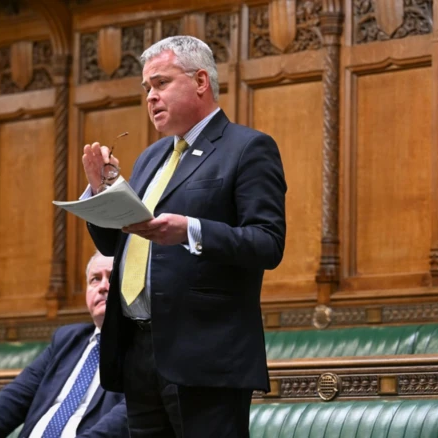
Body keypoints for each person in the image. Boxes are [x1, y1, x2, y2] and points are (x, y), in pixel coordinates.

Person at [81, 36, 287, 437]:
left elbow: (267, 243)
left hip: (205, 355)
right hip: (139, 350)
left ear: (200, 82)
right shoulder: (150, 158)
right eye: (146, 89)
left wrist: (190, 231)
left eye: (160, 83)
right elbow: (115, 247)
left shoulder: (247, 148)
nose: (151, 97)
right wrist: (103, 196)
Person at [0, 252, 128, 438]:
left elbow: (124, 419)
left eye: (112, 277)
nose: (103, 286)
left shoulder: (144, 348)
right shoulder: (67, 340)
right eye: (95, 279)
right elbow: (11, 400)